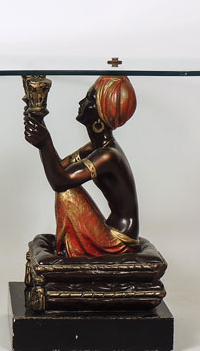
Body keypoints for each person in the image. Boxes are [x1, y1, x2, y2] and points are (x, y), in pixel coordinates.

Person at [24, 75, 139, 257]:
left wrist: (45, 143)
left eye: (90, 99)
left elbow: (59, 182)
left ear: (102, 113)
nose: (82, 102)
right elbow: (60, 168)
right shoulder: (95, 148)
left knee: (67, 191)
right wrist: (39, 121)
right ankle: (68, 246)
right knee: (67, 185)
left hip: (120, 241)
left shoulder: (108, 155)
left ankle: (69, 249)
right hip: (111, 229)